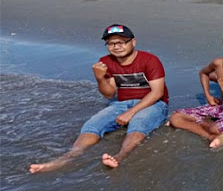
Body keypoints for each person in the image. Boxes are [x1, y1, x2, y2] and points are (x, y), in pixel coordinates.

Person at [30, 24, 169, 172]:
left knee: (138, 124)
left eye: (121, 42)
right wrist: (99, 78)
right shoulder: (106, 61)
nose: (116, 47)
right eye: (111, 43)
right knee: (92, 126)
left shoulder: (150, 60)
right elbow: (109, 94)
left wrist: (131, 112)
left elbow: (157, 92)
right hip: (120, 103)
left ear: (133, 42)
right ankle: (67, 158)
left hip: (152, 103)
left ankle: (120, 157)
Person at [168, 38, 223, 148]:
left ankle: (204, 126)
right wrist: (208, 95)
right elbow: (203, 73)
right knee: (175, 118)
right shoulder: (218, 63)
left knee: (215, 128)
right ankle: (210, 136)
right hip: (221, 105)